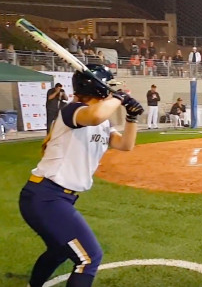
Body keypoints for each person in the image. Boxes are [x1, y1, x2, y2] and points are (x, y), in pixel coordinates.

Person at [19, 64, 143, 287]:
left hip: (53, 198)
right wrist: (119, 97)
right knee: (89, 258)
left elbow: (126, 145)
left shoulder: (102, 121)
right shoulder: (72, 109)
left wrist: (131, 118)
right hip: (47, 197)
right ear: (100, 88)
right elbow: (94, 116)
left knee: (59, 251)